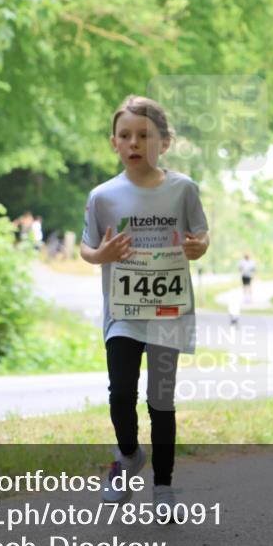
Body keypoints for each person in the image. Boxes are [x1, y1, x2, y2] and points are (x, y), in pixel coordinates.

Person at [81, 95, 209, 515]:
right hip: (123, 313)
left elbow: (201, 235)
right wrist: (101, 255)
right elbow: (87, 247)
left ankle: (164, 487)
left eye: (145, 135)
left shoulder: (183, 189)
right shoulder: (103, 196)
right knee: (121, 394)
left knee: (161, 401)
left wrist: (197, 247)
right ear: (114, 143)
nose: (134, 143)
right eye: (125, 136)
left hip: (168, 310)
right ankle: (129, 455)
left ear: (164, 142)